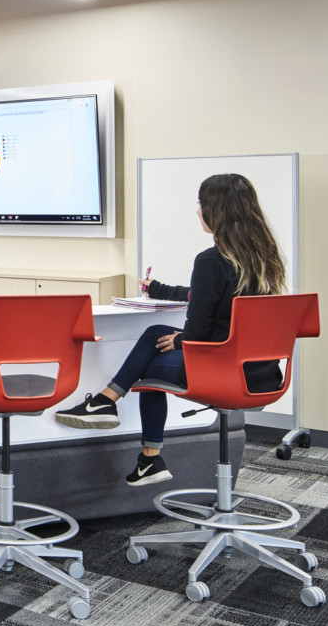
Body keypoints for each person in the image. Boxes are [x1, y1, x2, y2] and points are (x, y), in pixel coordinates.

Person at [55, 174, 288, 486]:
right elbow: (211, 298)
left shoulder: (211, 260)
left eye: (200, 204)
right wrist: (161, 289)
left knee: (150, 365)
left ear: (215, 210)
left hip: (220, 374)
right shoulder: (265, 261)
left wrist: (180, 339)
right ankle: (134, 443)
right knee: (155, 335)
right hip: (264, 375)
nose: (197, 211)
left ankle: (114, 414)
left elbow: (198, 334)